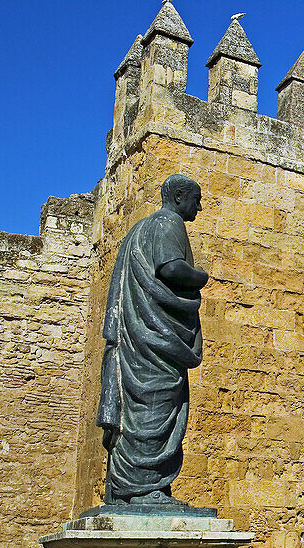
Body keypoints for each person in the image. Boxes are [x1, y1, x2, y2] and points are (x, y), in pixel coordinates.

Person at [97, 174, 208, 505]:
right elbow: (171, 269)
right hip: (154, 342)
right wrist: (202, 276)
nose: (199, 207)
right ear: (177, 198)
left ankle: (127, 488)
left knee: (138, 409)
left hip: (139, 337)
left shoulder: (137, 231)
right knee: (154, 408)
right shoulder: (167, 222)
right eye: (195, 199)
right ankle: (146, 489)